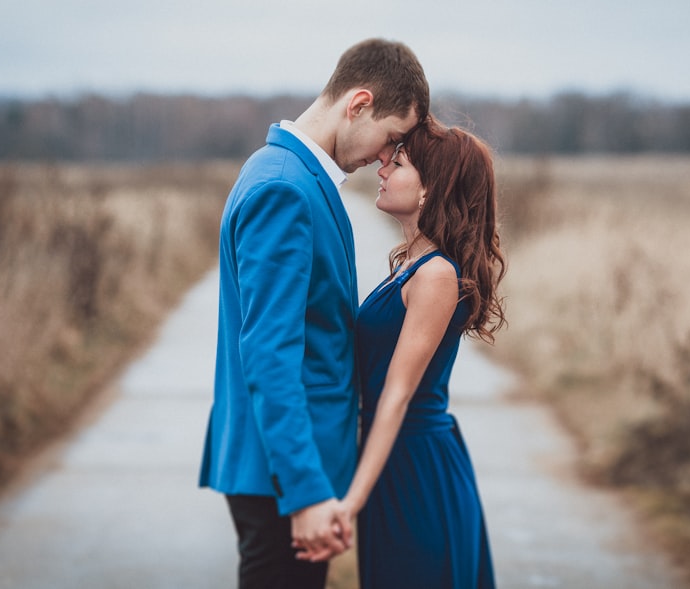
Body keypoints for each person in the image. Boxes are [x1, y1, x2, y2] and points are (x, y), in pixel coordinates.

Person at [198, 38, 429, 589]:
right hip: (283, 477)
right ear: (358, 104)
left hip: (292, 467)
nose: (384, 156)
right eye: (390, 137)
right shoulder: (284, 188)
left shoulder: (296, 177)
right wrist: (303, 491)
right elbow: (270, 355)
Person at [297, 116, 506, 588]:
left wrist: (349, 503)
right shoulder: (411, 263)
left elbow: (395, 396)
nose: (382, 169)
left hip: (417, 468)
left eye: (399, 163)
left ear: (431, 188)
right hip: (395, 457)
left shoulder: (436, 276)